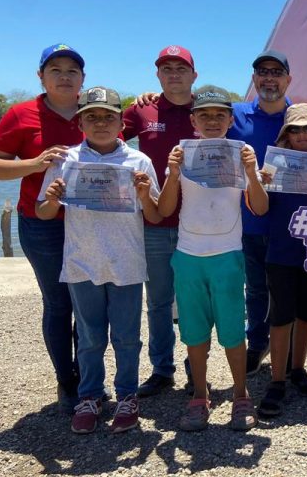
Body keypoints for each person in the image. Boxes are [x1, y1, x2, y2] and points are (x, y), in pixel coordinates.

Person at [36, 87, 161, 434]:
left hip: (126, 262)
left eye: (108, 116)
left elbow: (152, 213)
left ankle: (126, 396)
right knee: (89, 338)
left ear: (122, 122)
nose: (101, 123)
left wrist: (142, 194)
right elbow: (43, 212)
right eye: (92, 116)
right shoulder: (66, 160)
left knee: (127, 337)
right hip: (82, 262)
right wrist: (51, 198)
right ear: (80, 123)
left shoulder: (139, 162)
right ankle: (89, 396)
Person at [0, 44, 86, 413]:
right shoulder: (21, 114)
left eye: (72, 70)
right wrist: (35, 163)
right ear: (41, 76)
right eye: (55, 69)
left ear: (82, 79)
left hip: (88, 224)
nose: (64, 76)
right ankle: (66, 380)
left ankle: (88, 376)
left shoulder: (94, 112)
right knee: (59, 303)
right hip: (42, 224)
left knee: (86, 303)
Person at [158, 89, 267, 432]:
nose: (212, 121)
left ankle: (241, 395)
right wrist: (173, 174)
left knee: (234, 331)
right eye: (204, 115)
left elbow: (260, 208)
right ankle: (199, 397)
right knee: (193, 333)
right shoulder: (181, 154)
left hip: (228, 255)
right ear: (193, 120)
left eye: (220, 115)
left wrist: (252, 172)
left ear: (231, 120)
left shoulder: (243, 154)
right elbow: (163, 208)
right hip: (188, 255)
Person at [123, 45, 198, 397]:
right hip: (152, 222)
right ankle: (162, 369)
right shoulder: (142, 110)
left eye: (180, 68)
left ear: (193, 75)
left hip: (198, 225)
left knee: (195, 301)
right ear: (157, 75)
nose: (173, 74)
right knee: (157, 301)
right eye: (166, 68)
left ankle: (195, 366)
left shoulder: (209, 110)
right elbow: (100, 140)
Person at [257, 104, 307, 418]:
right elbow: (259, 208)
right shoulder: (272, 165)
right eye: (296, 129)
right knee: (280, 316)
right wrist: (257, 181)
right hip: (281, 251)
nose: (302, 135)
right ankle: (277, 379)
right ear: (286, 133)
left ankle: (297, 368)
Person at [227, 50, 293, 376]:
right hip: (249, 219)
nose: (269, 78)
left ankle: (289, 353)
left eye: (276, 72)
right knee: (255, 288)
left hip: (290, 224)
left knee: (287, 289)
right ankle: (257, 343)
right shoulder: (234, 115)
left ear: (288, 80)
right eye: (263, 72)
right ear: (254, 79)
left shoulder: (301, 117)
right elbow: (196, 118)